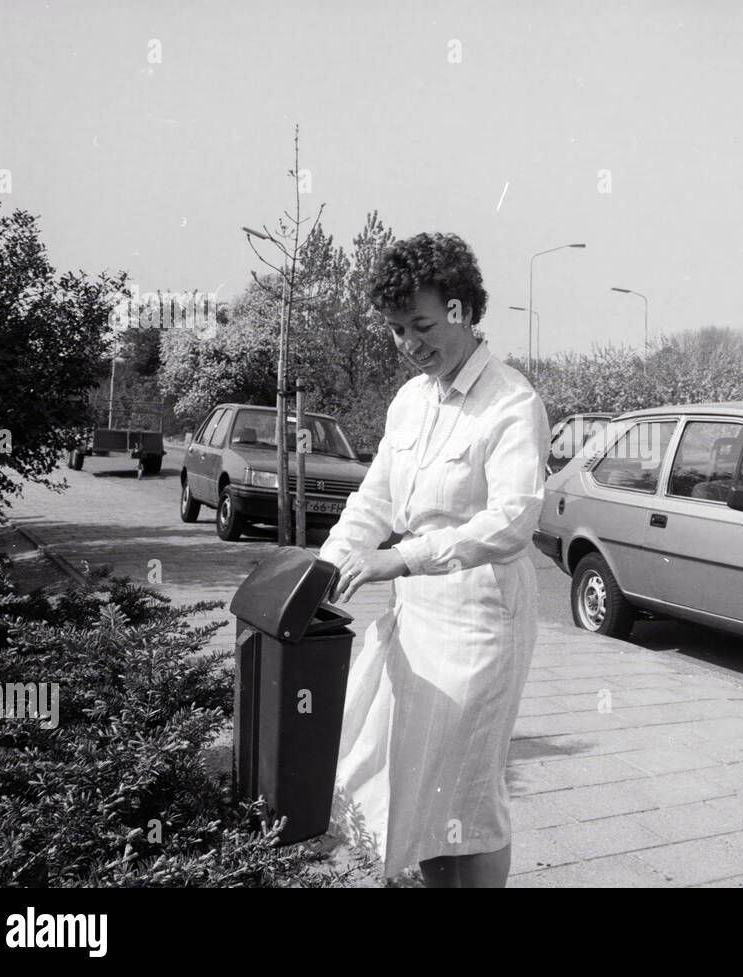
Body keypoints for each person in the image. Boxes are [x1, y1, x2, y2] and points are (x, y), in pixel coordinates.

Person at [319, 232, 550, 888]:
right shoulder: (410, 401)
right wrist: (326, 568)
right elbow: (374, 499)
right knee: (420, 785)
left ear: (461, 309)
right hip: (415, 621)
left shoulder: (510, 402)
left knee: (467, 792)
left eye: (420, 324)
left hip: (482, 623)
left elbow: (513, 521)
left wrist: (406, 556)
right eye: (395, 330)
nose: (408, 344)